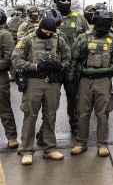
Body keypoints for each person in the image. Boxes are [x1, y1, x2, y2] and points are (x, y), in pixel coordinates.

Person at [12, 17, 71, 165]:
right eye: (46, 32)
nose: (48, 35)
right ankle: (26, 149)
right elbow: (16, 59)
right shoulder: (28, 39)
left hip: (52, 82)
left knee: (50, 115)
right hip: (34, 81)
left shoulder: (59, 39)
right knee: (30, 115)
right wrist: (36, 67)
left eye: (51, 32)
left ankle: (49, 148)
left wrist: (61, 66)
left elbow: (68, 57)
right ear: (40, 28)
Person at [69, 9, 113, 157]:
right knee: (82, 113)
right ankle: (81, 142)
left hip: (104, 80)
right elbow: (73, 59)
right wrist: (70, 78)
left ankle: (102, 144)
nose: (105, 24)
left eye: (108, 22)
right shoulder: (83, 38)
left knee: (103, 114)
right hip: (85, 80)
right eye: (102, 21)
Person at [54, 0, 89, 136]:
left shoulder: (79, 18)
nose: (66, 2)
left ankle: (74, 123)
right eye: (63, 0)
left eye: (68, 0)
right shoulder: (50, 16)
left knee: (74, 97)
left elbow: (88, 35)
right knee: (50, 99)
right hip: (54, 65)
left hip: (73, 66)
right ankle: (46, 128)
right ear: (56, 1)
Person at [0, 9, 18, 149]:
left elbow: (9, 57)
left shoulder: (4, 34)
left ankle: (11, 136)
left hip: (0, 76)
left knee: (4, 107)